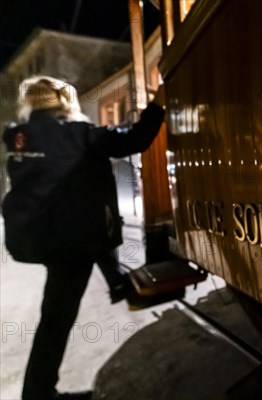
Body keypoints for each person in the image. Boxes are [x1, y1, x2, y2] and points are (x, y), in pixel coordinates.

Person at [2, 76, 165, 400]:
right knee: (56, 319)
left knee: (59, 308)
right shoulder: (79, 135)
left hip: (37, 236)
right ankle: (38, 393)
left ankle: (119, 284)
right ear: (64, 101)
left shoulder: (18, 136)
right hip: (70, 241)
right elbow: (135, 138)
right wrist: (159, 102)